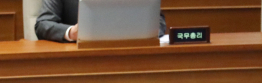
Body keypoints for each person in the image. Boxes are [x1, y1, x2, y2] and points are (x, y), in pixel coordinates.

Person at [35, 0, 167, 42]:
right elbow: (43, 24)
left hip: (129, 58)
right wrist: (71, 32)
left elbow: (158, 21)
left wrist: (145, 32)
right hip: (78, 61)